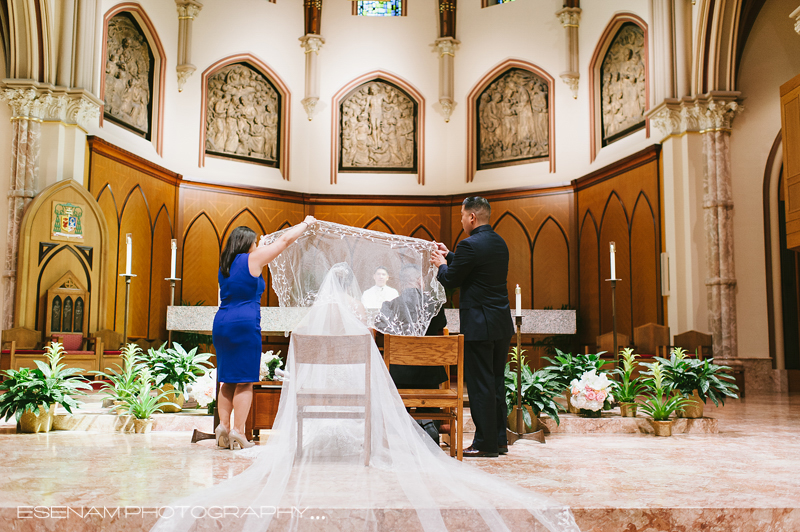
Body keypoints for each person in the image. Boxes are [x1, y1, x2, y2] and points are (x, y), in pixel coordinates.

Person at [211, 216, 316, 450]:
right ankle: (238, 432)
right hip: (244, 324)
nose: (258, 246)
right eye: (255, 242)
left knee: (226, 380)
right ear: (248, 243)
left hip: (222, 322)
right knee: (245, 381)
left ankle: (223, 428)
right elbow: (286, 240)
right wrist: (306, 223)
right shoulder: (253, 258)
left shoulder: (224, 265)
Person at [431, 196, 514, 458]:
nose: (461, 220)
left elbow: (451, 280)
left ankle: (484, 444)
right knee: (496, 382)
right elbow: (477, 267)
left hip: (479, 325)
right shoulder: (499, 242)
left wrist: (442, 264)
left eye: (462, 216)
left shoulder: (469, 244)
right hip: (500, 323)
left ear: (472, 218)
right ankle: (499, 440)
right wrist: (451, 255)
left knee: (479, 386)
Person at [375, 264, 447, 443]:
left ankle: (401, 435)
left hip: (400, 375)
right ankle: (430, 425)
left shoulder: (389, 306)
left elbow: (380, 331)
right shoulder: (434, 305)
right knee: (430, 378)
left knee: (396, 380)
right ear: (420, 281)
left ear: (400, 283)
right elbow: (441, 325)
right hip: (429, 375)